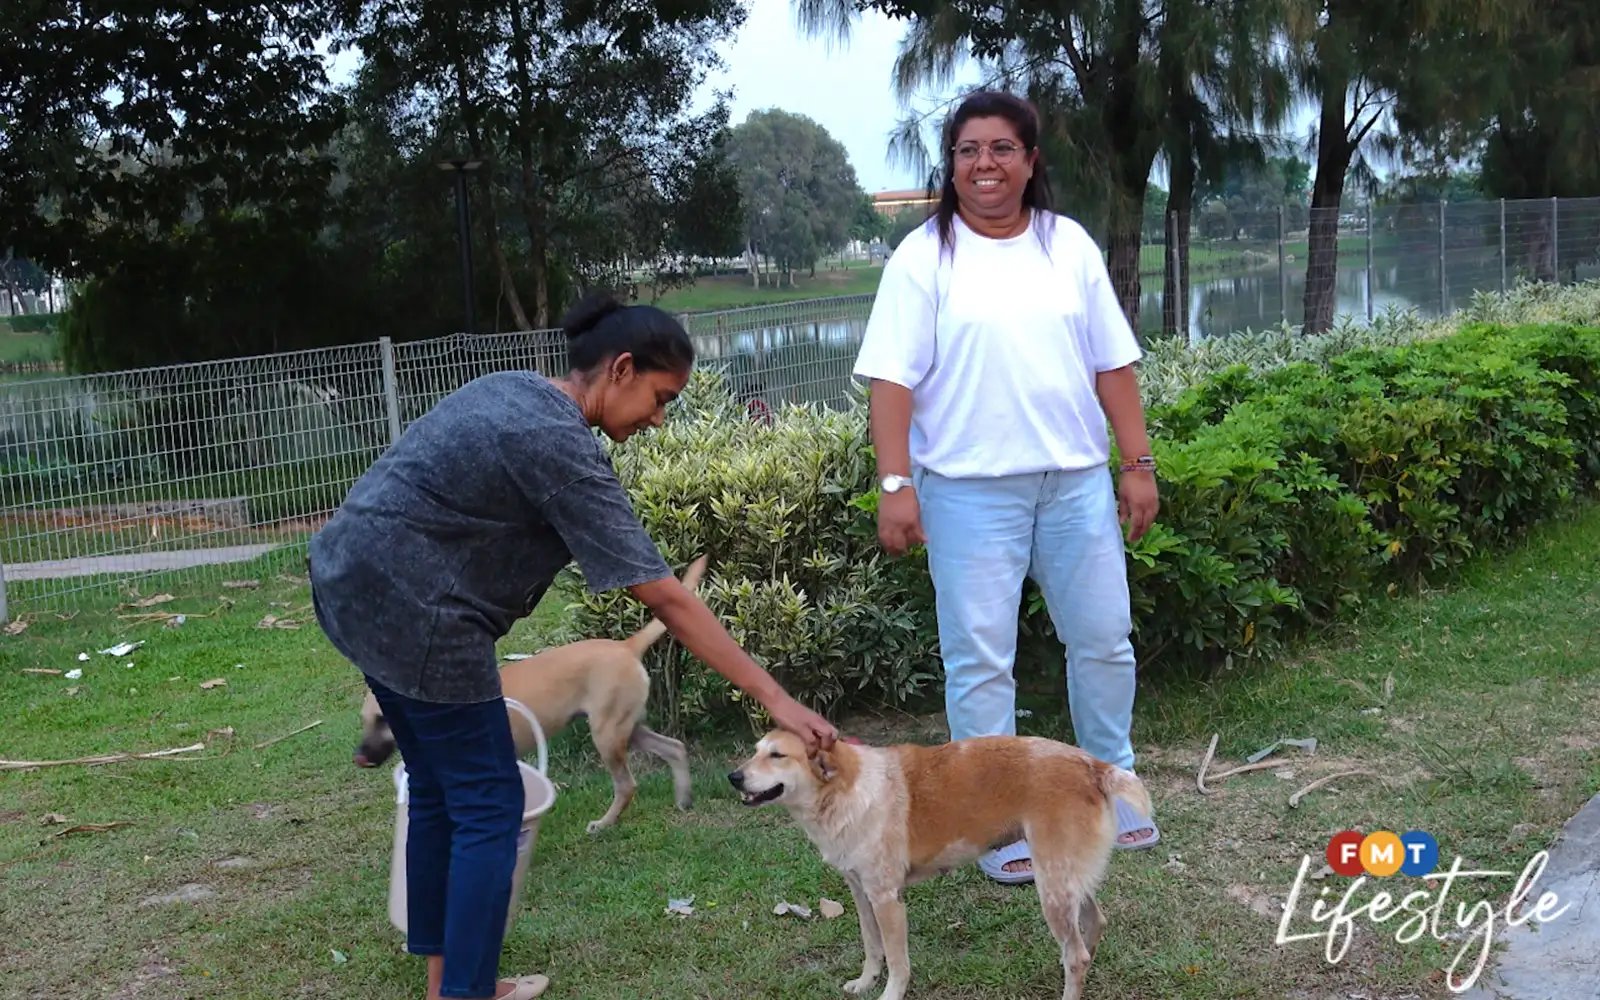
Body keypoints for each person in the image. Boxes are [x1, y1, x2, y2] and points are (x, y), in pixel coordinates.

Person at [309, 292, 837, 1000]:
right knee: (489, 807)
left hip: (347, 582)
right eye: (660, 397)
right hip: (417, 618)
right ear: (620, 369)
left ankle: (451, 987)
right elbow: (668, 598)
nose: (657, 418)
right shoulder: (560, 447)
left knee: (442, 790)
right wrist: (776, 697)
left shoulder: (515, 391)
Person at [850, 90, 1161, 885]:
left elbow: (1111, 365)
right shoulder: (923, 257)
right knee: (981, 661)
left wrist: (1137, 463)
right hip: (966, 493)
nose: (983, 165)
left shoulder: (1069, 246)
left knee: (1102, 637)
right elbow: (891, 380)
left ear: (1030, 161)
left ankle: (1110, 785)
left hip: (1074, 485)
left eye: (1000, 150)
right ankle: (997, 823)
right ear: (950, 165)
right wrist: (896, 483)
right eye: (966, 151)